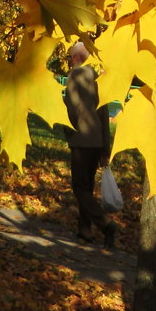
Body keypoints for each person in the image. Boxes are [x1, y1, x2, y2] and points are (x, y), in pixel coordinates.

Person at [65, 41, 117, 249]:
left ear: (77, 58)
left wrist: (68, 130)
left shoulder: (75, 76)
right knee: (87, 187)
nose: (69, 62)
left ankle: (106, 224)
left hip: (81, 139)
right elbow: (105, 113)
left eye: (70, 57)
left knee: (79, 187)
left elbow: (71, 108)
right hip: (96, 141)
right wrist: (106, 146)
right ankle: (84, 231)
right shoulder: (97, 78)